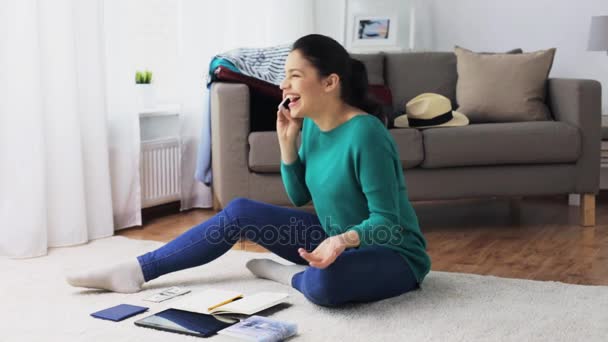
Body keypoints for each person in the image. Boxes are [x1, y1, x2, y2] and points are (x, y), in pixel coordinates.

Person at [66, 34, 431, 307]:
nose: (283, 85)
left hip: (392, 252)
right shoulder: (314, 126)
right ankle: (137, 269)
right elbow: (301, 196)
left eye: (294, 75)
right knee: (241, 211)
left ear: (330, 82)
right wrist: (288, 147)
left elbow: (388, 222)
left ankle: (292, 276)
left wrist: (340, 241)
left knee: (326, 287)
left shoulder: (366, 133)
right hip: (331, 237)